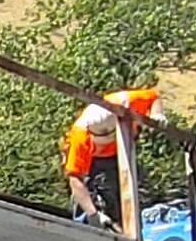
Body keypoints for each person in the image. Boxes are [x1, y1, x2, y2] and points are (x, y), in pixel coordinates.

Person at [60, 85, 159, 227]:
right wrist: (93, 214)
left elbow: (153, 96)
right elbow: (76, 180)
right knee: (87, 197)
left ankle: (129, 229)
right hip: (92, 160)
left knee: (124, 193)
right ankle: (89, 228)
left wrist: (157, 114)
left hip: (120, 153)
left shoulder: (125, 101)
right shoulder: (80, 136)